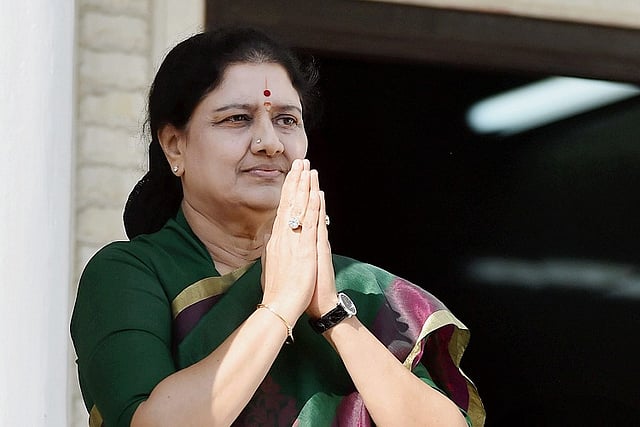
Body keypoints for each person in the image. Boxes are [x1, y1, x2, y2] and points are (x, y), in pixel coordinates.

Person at [71, 27, 485, 427]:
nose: (270, 143)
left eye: (286, 120)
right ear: (174, 145)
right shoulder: (130, 274)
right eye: (237, 118)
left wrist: (332, 314)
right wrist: (281, 305)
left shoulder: (357, 287)